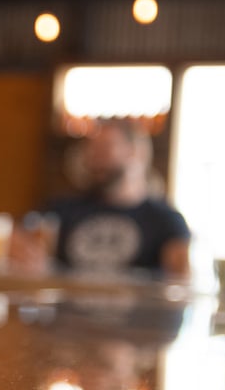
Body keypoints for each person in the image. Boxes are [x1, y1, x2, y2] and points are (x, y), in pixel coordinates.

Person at [13, 119, 190, 279]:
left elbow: (180, 283)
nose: (94, 157)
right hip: (69, 314)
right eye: (91, 148)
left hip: (136, 315)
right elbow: (17, 237)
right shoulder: (64, 209)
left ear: (136, 152)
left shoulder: (165, 220)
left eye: (105, 147)